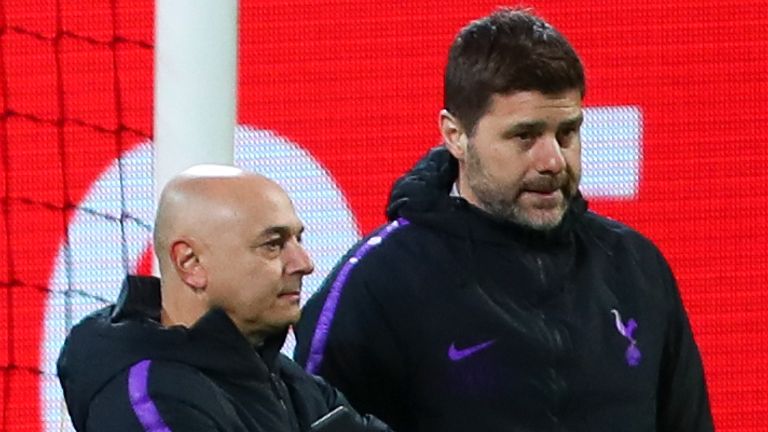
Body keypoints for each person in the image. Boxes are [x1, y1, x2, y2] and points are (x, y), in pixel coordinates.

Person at [294, 8, 714, 432]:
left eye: (567, 133)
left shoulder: (636, 266)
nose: (552, 160)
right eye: (524, 136)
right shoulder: (376, 284)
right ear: (455, 135)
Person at [57, 165, 392, 431]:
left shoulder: (288, 381)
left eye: (297, 240)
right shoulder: (146, 399)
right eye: (273, 245)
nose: (304, 263)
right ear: (191, 264)